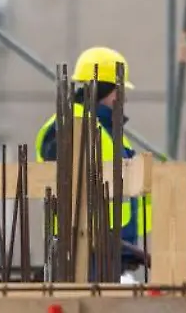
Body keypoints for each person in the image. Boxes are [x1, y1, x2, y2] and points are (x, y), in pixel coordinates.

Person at [34, 46, 151, 281]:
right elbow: (70, 187)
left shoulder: (107, 130)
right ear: (110, 90)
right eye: (120, 91)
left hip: (112, 247)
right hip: (84, 249)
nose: (123, 98)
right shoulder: (69, 126)